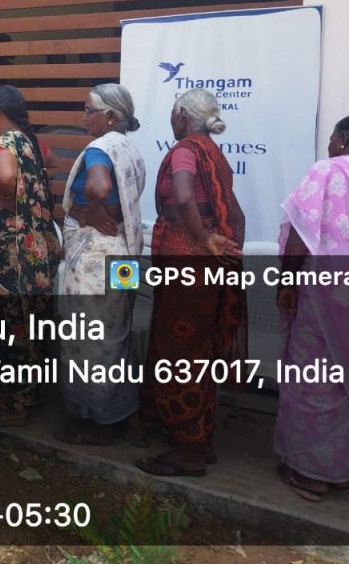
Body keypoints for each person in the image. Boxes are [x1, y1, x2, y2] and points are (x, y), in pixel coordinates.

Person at [273, 113, 349, 501]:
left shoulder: (327, 170)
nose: (329, 143)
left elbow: (301, 233)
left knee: (311, 377)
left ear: (342, 140)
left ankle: (311, 473)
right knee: (346, 379)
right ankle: (341, 470)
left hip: (325, 291)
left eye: (333, 136)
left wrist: (286, 282)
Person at [138, 88, 245, 478]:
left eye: (173, 112)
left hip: (187, 264)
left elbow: (183, 198)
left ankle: (189, 452)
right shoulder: (213, 152)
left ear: (183, 116)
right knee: (198, 348)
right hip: (205, 267)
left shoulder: (185, 150)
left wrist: (203, 239)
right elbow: (237, 213)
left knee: (179, 352)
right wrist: (224, 248)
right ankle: (199, 438)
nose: (171, 119)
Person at [55, 84, 147, 447]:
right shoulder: (129, 148)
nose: (83, 117)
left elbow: (98, 187)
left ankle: (99, 425)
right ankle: (128, 415)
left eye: (88, 110)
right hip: (123, 255)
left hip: (96, 257)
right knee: (118, 333)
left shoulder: (100, 148)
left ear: (110, 116)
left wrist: (89, 209)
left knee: (90, 339)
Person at [0, 85, 62, 426]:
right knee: (31, 322)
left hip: (15, 252)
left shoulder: (7, 141)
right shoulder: (29, 140)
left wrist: (7, 200)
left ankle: (12, 406)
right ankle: (29, 396)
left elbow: (4, 176)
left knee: (12, 324)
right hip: (35, 247)